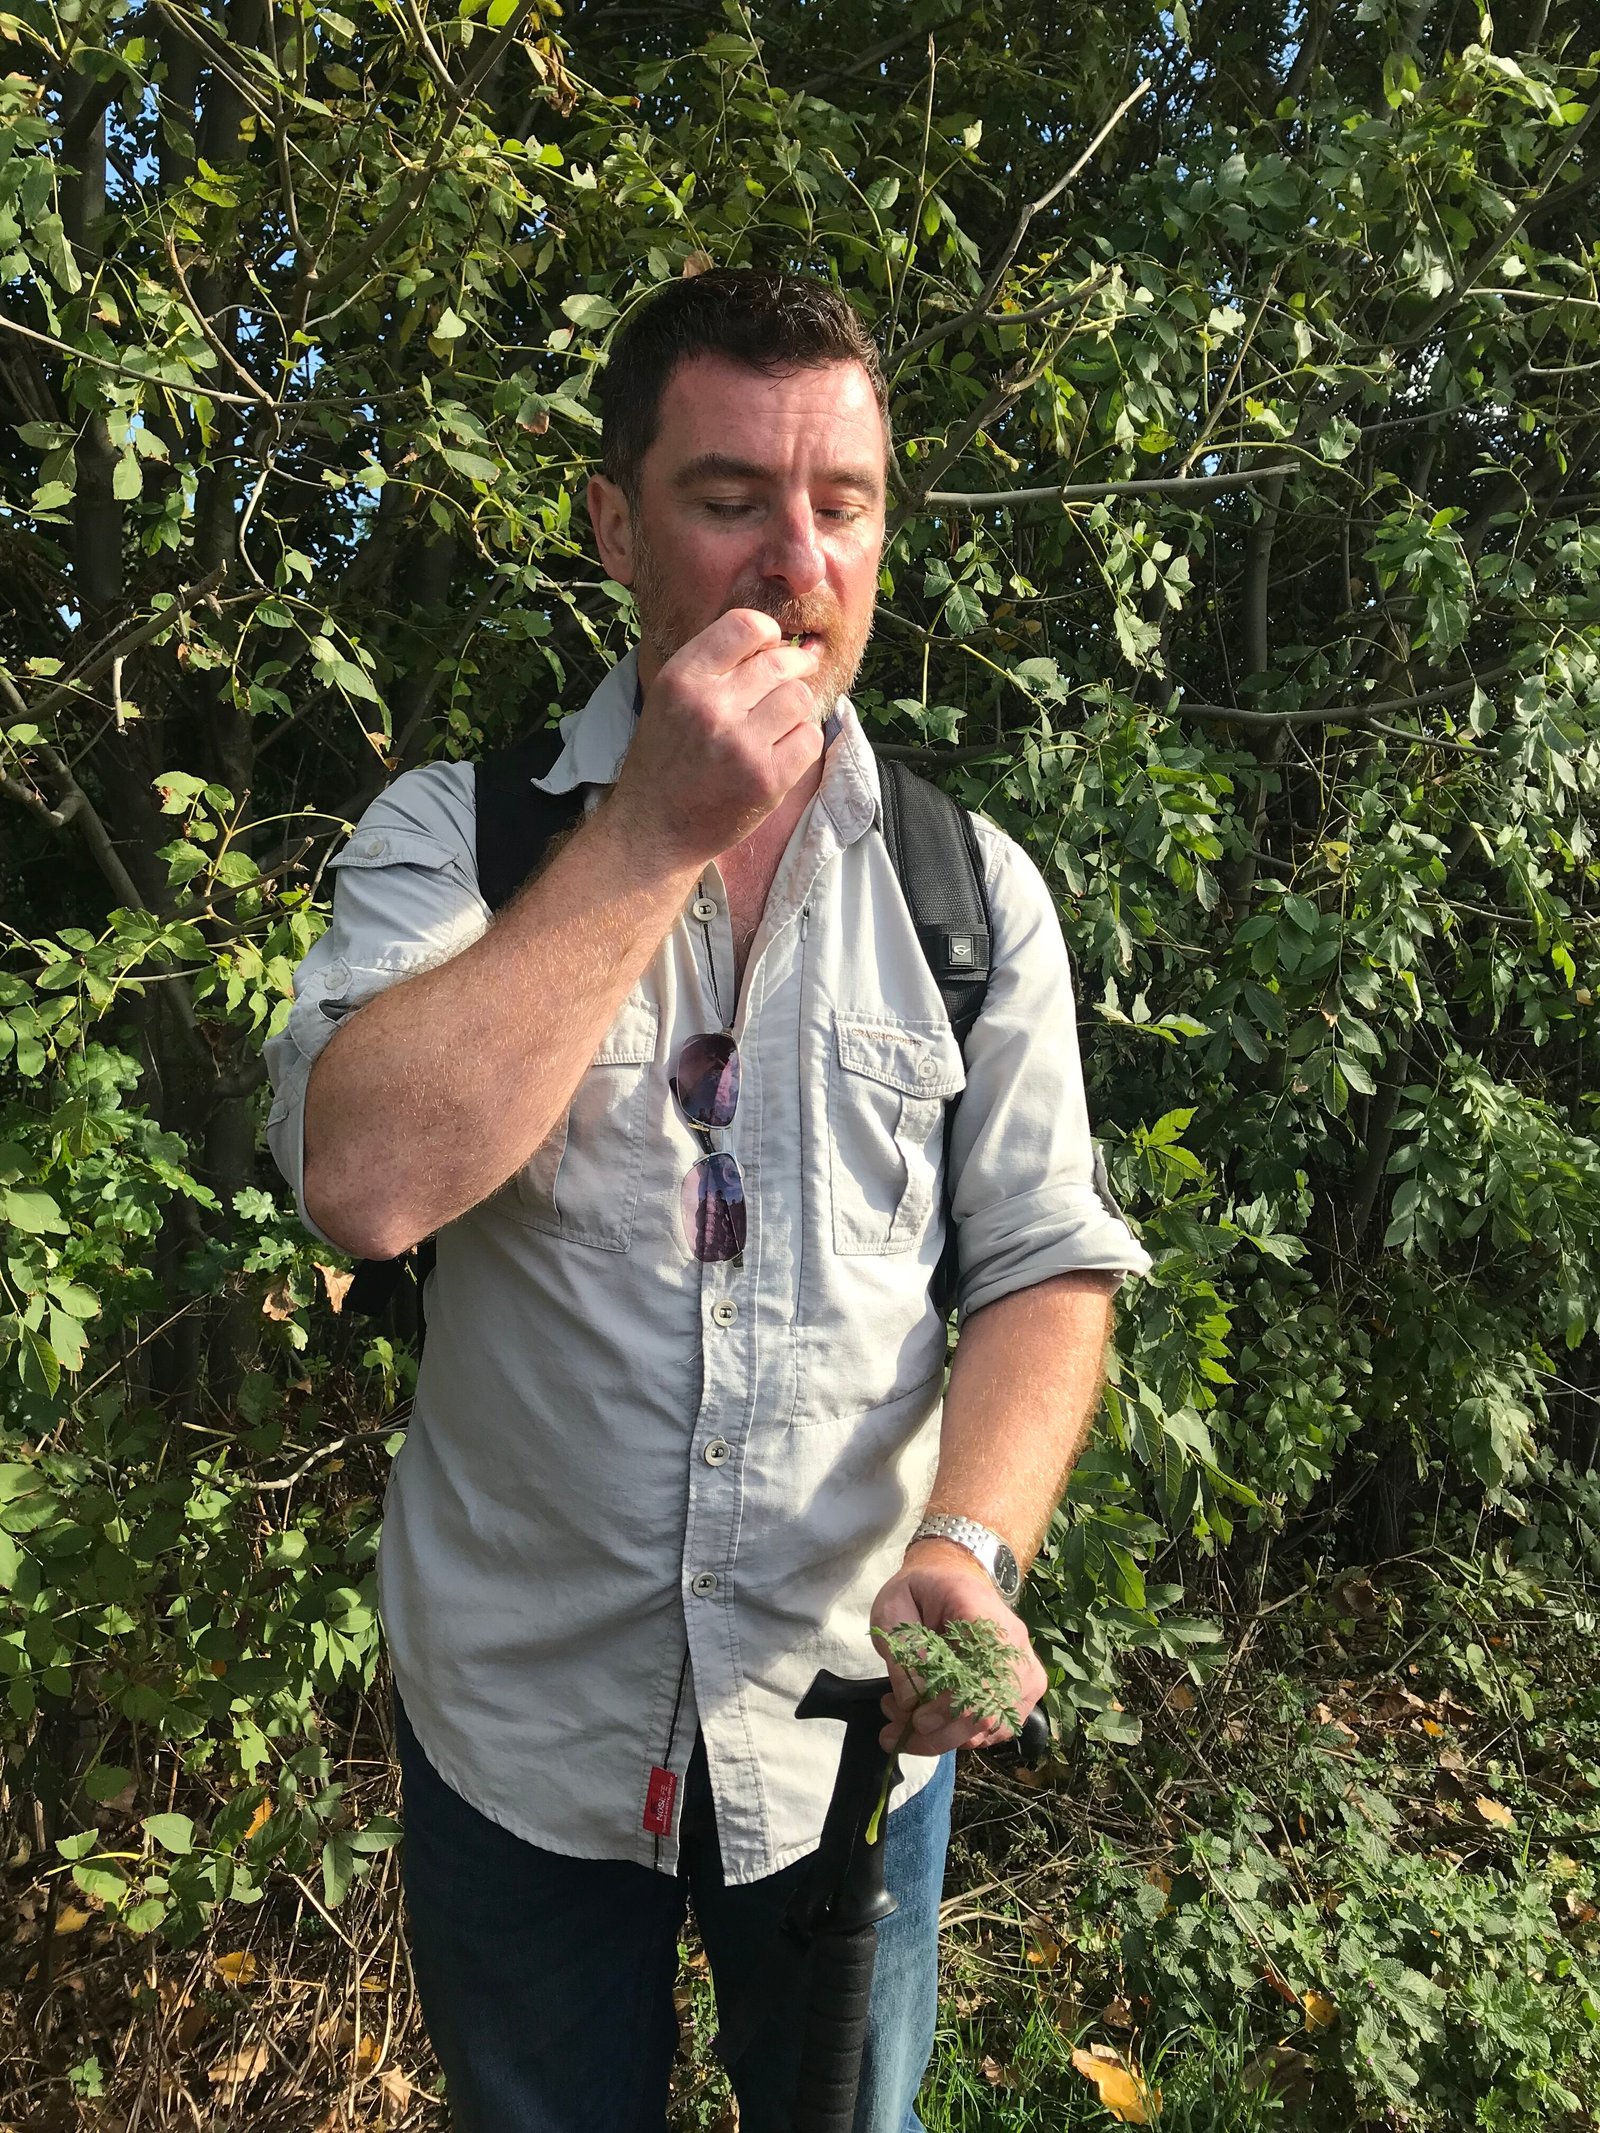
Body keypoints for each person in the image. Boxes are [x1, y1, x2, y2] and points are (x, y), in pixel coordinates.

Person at [265, 269, 1148, 2133]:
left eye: (845, 504)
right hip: (521, 1737)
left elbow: (1047, 1266)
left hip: (847, 1746)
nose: (797, 560)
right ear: (612, 521)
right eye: (731, 495)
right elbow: (362, 1184)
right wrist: (656, 826)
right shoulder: (462, 838)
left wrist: (972, 1550)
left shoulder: (972, 893)